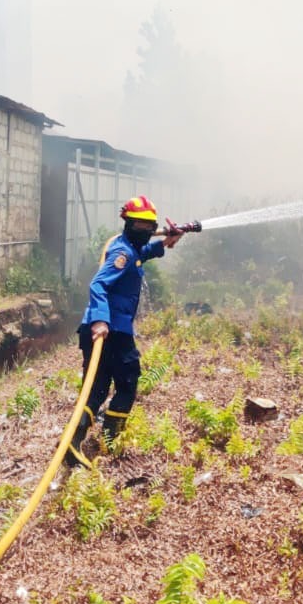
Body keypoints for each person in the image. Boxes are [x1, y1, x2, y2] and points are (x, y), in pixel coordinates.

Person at [67, 195, 185, 468]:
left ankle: (75, 443)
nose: (145, 230)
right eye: (139, 225)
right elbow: (98, 284)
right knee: (128, 381)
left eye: (149, 226)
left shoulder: (129, 247)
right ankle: (108, 439)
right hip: (110, 330)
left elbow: (142, 254)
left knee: (97, 388)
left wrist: (167, 241)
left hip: (107, 329)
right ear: (128, 223)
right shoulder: (122, 253)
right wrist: (100, 321)